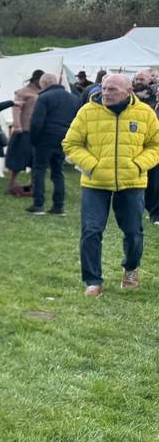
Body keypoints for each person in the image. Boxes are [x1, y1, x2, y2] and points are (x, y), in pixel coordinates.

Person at [63, 74, 159, 296]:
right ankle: (93, 281)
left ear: (128, 92)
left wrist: (137, 165)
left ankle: (131, 268)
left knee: (134, 232)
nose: (106, 93)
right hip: (95, 183)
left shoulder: (145, 114)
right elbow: (71, 144)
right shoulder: (88, 111)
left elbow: (155, 145)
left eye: (112, 89)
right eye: (104, 88)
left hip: (132, 182)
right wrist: (92, 165)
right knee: (91, 231)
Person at [27, 72, 78, 215]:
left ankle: (38, 204)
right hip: (64, 138)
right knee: (58, 172)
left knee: (39, 170)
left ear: (44, 84)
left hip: (45, 138)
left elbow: (37, 121)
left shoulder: (44, 97)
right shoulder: (73, 98)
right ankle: (58, 205)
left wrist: (33, 139)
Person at [4, 70, 43, 197]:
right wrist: (17, 125)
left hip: (37, 131)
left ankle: (34, 184)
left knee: (35, 159)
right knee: (17, 159)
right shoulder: (22, 92)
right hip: (23, 130)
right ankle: (12, 183)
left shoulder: (42, 92)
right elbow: (16, 108)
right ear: (36, 80)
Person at [132, 69, 159, 224]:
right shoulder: (140, 100)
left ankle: (155, 212)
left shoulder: (150, 101)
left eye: (142, 78)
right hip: (141, 144)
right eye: (137, 78)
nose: (139, 81)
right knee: (145, 179)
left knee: (155, 180)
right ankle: (147, 208)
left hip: (154, 146)